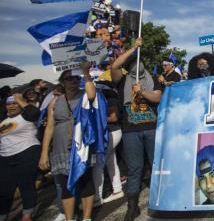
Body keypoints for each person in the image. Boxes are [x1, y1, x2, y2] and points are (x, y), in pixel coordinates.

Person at [111, 38, 162, 221]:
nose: (136, 63)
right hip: (130, 131)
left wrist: (141, 92)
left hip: (151, 129)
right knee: (135, 168)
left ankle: (162, 199)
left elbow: (157, 98)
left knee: (157, 165)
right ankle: (132, 206)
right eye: (133, 61)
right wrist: (133, 48)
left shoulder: (152, 79)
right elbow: (114, 67)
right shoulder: (123, 79)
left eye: (138, 60)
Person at [39, 64, 97, 221]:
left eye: (76, 78)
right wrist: (44, 153)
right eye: (68, 78)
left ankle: (86, 217)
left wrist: (85, 72)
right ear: (62, 82)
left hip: (81, 147)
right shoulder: (54, 102)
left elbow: (92, 95)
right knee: (66, 186)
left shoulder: (84, 96)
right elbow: (49, 128)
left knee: (85, 182)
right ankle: (70, 218)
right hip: (60, 148)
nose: (73, 81)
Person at [0, 94, 41, 221]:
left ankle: (27, 214)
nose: (11, 106)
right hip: (5, 157)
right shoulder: (3, 121)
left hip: (26, 152)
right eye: (9, 104)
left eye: (14, 103)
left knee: (26, 185)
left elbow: (35, 113)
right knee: (4, 189)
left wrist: (20, 100)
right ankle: (2, 214)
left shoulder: (26, 116)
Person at [91, 81, 124, 206]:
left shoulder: (109, 100)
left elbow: (113, 117)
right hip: (112, 133)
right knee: (111, 161)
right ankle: (117, 189)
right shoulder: (106, 99)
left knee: (98, 165)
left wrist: (96, 120)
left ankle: (97, 197)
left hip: (111, 133)